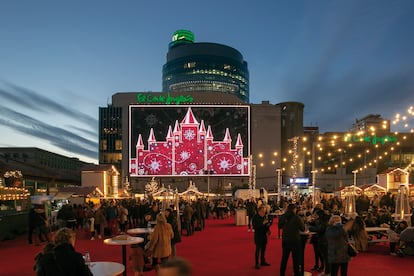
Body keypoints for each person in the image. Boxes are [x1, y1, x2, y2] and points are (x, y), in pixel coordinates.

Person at [278, 203, 305, 276]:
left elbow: (279, 226)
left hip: (285, 239)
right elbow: (303, 228)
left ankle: (282, 273)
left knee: (284, 258)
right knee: (295, 259)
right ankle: (296, 273)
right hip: (295, 240)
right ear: (294, 209)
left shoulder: (283, 216)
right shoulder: (297, 217)